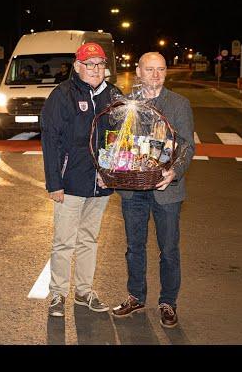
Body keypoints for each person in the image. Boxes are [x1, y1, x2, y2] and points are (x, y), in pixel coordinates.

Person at [110, 52, 195, 328]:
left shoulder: (179, 104)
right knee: (134, 247)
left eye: (161, 69)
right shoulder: (127, 104)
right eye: (150, 70)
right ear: (138, 71)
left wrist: (174, 172)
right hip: (134, 191)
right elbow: (117, 142)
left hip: (166, 190)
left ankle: (168, 302)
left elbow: (187, 146)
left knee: (168, 249)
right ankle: (136, 296)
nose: (156, 75)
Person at [41, 42, 120, 317]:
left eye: (100, 64)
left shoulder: (113, 95)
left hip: (100, 184)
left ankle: (84, 291)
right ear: (78, 66)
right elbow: (50, 140)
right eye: (90, 64)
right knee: (64, 241)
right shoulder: (62, 95)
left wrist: (114, 173)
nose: (95, 69)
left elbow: (121, 138)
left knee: (89, 239)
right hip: (70, 182)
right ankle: (58, 294)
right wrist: (54, 183)